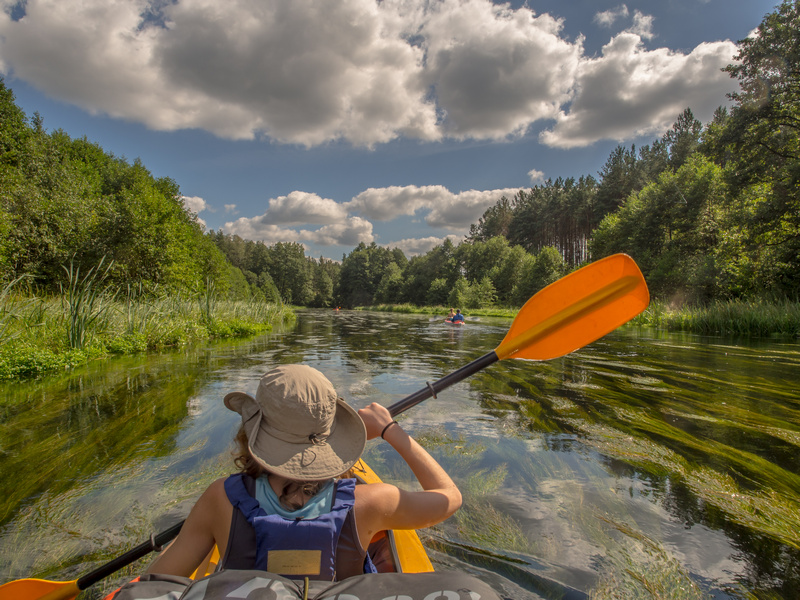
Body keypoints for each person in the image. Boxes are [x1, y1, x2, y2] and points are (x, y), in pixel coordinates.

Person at [145, 364, 461, 581]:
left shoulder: (221, 499)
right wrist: (390, 429)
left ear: (252, 432)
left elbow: (155, 582)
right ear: (332, 435)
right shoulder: (374, 502)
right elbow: (450, 497)